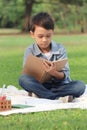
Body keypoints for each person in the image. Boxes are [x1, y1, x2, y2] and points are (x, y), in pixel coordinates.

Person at [19, 12, 86, 100]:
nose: (44, 40)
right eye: (40, 36)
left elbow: (65, 75)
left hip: (60, 86)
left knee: (80, 86)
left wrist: (53, 72)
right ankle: (54, 96)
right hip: (41, 85)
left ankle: (44, 95)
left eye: (48, 36)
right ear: (32, 34)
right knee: (23, 79)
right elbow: (28, 75)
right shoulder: (30, 51)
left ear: (52, 33)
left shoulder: (60, 48)